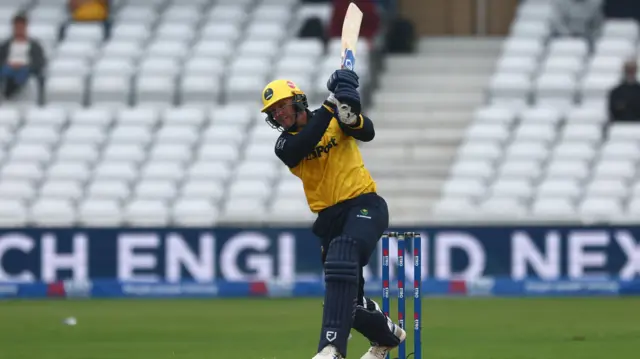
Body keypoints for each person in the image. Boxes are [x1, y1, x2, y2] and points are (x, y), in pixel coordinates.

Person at [260, 71, 405, 359]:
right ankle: (387, 336)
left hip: (364, 204)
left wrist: (350, 116)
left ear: (298, 101)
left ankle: (332, 349)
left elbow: (367, 132)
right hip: (329, 218)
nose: (279, 114)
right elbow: (305, 144)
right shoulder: (284, 145)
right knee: (344, 303)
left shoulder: (335, 117)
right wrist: (331, 104)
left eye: (282, 106)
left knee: (342, 255)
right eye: (273, 112)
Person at [0, 13, 46, 100]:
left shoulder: (35, 45)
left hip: (26, 68)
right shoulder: (5, 45)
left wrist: (24, 65)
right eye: (17, 27)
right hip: (8, 67)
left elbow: (40, 61)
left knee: (22, 73)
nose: (19, 30)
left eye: (21, 27)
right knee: (5, 71)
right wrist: (10, 64)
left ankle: (11, 91)